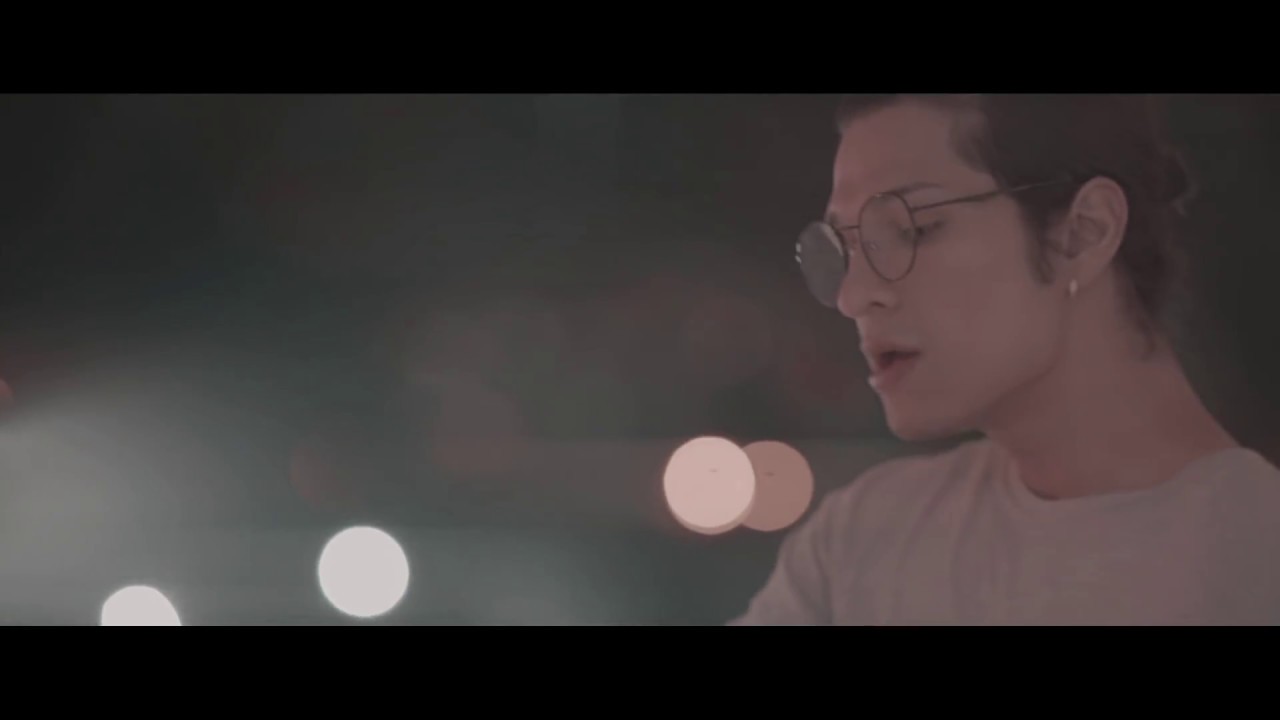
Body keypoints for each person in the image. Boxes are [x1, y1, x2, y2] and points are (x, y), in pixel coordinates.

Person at [730, 94, 1280, 625]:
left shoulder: (1251, 561)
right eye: (844, 250)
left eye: (914, 229)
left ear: (1083, 232)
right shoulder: (860, 543)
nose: (853, 298)